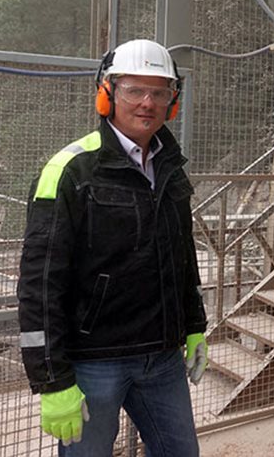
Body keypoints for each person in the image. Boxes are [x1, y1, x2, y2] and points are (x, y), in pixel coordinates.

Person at [17, 39, 208, 456]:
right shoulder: (69, 171)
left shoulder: (171, 169)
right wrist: (52, 381)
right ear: (107, 93)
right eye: (134, 90)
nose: (147, 103)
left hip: (162, 360)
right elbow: (40, 283)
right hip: (94, 364)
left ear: (172, 101)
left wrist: (195, 324)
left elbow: (182, 255)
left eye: (159, 92)